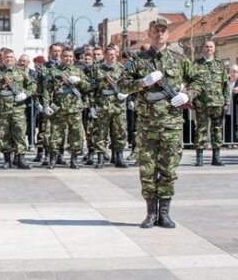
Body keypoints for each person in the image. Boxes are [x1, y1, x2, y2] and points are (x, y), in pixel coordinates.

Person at [119, 18, 202, 229]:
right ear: (149, 33)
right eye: (156, 31)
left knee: (168, 170)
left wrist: (187, 96)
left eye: (163, 31)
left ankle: (164, 213)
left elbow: (198, 80)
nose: (159, 34)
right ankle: (149, 213)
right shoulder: (139, 61)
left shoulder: (179, 59)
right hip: (146, 126)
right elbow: (122, 84)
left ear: (168, 34)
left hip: (172, 125)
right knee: (147, 171)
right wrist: (143, 82)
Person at [0, 49, 35, 169]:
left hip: (18, 109)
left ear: (14, 59)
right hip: (2, 109)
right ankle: (7, 160)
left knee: (19, 133)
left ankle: (21, 159)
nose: (9, 59)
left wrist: (25, 94)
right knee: (4, 134)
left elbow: (32, 85)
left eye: (11, 57)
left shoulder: (21, 72)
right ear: (2, 59)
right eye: (6, 57)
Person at [43, 47, 89, 169]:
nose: (68, 59)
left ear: (73, 57)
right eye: (65, 56)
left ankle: (74, 159)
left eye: (70, 56)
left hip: (74, 108)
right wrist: (46, 105)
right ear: (61, 57)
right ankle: (53, 159)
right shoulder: (53, 71)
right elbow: (47, 90)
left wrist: (79, 81)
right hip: (59, 108)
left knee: (76, 135)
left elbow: (88, 87)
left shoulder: (78, 71)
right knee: (55, 135)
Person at [90, 46, 128, 169]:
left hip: (118, 106)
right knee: (100, 133)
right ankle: (101, 158)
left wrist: (127, 95)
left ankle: (119, 158)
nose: (112, 56)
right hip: (102, 105)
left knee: (120, 132)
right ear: (105, 55)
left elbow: (128, 85)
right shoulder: (97, 69)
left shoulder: (121, 69)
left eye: (114, 54)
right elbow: (92, 89)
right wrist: (92, 106)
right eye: (109, 54)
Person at [192, 40, 228, 166]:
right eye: (206, 46)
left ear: (214, 48)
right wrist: (193, 100)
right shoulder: (196, 64)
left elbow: (225, 85)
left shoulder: (220, 64)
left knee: (217, 130)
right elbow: (191, 83)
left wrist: (226, 102)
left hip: (217, 103)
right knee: (200, 129)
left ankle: (216, 157)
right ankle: (199, 158)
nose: (209, 49)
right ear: (203, 49)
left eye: (211, 47)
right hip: (201, 103)